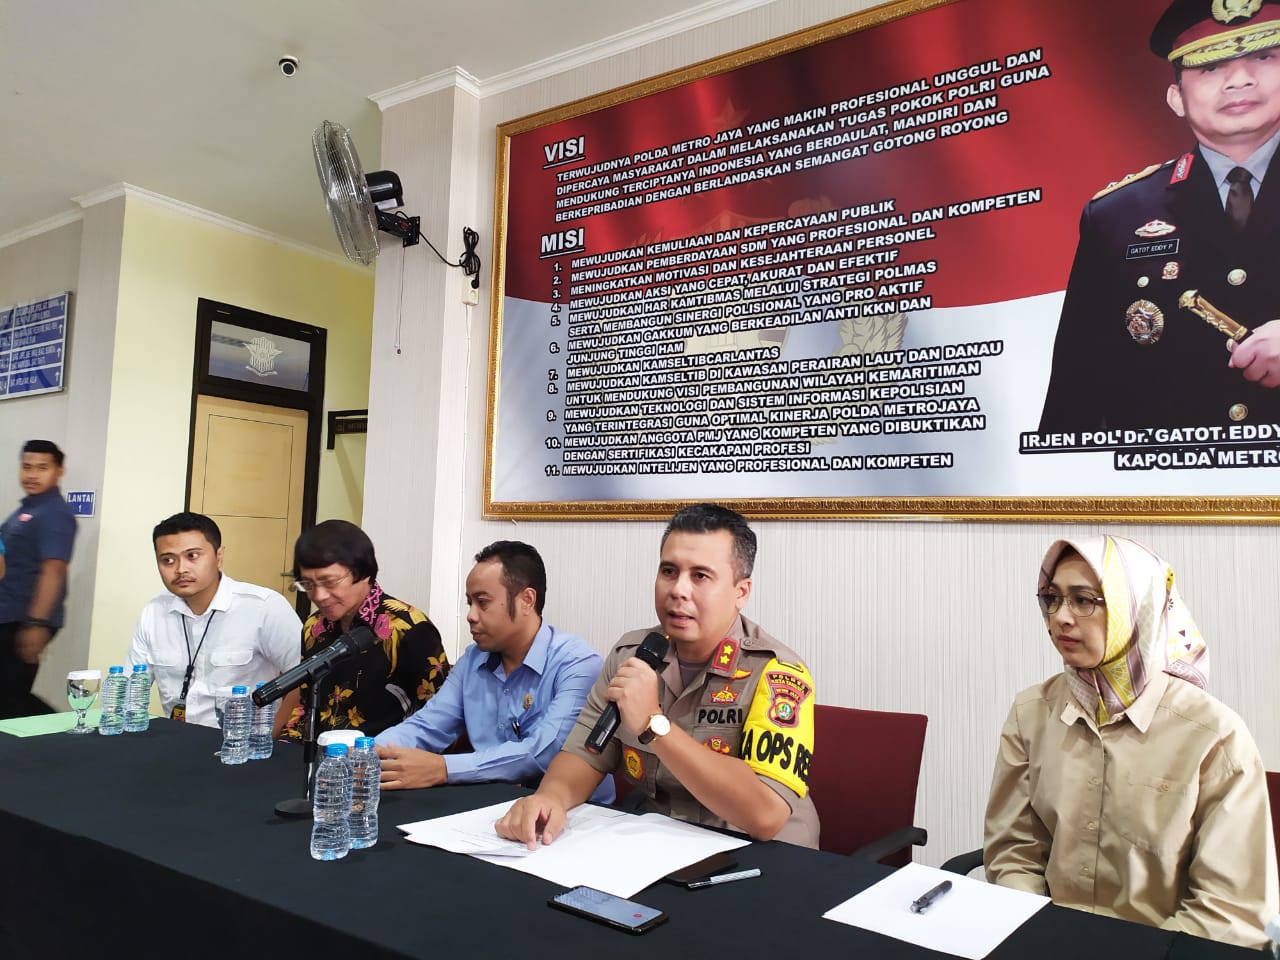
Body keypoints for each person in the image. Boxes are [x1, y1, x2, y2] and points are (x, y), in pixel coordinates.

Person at [984, 534, 1277, 947]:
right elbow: (1015, 851)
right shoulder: (1031, 712)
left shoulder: (1214, 736)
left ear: (1136, 609)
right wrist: (1035, 935)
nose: (1061, 618)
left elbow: (1230, 911)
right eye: (1052, 598)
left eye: (1084, 600)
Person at [495, 503, 818, 849]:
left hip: (760, 855)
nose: (678, 589)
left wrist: (653, 723)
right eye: (668, 571)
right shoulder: (631, 655)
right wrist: (550, 799)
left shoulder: (777, 672)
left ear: (741, 592)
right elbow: (585, 755)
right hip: (661, 845)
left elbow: (765, 815)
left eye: (700, 576)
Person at [1039, 0, 1280, 432]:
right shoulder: (1116, 214)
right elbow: (1079, 386)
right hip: (1168, 486)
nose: (1239, 80)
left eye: (1263, 57)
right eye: (1211, 67)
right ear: (1176, 97)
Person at [375, 541, 613, 803]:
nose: (471, 616)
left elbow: (544, 752)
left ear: (526, 600)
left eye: (482, 602)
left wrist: (444, 769)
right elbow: (426, 725)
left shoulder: (577, 662)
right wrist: (372, 751)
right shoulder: (473, 660)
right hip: (490, 808)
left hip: (576, 814)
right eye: (469, 603)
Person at [125, 512, 301, 728]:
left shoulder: (264, 607)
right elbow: (132, 686)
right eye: (168, 560)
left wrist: (269, 739)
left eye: (192, 556)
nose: (181, 569)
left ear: (219, 556)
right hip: (176, 741)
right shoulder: (153, 612)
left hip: (241, 747)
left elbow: (301, 681)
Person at [282, 519, 449, 739]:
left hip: (379, 761)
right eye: (309, 584)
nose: (319, 596)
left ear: (364, 572)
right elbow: (305, 703)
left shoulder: (409, 628)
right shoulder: (315, 626)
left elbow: (440, 719)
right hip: (315, 755)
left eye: (330, 582)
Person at [0, 440, 76, 719]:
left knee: (10, 700)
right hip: (8, 616)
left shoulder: (54, 514)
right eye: (27, 467)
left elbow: (53, 570)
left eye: (42, 468)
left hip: (22, 620)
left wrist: (36, 623)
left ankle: (62, 733)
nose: (32, 474)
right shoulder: (26, 511)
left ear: (59, 470)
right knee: (10, 697)